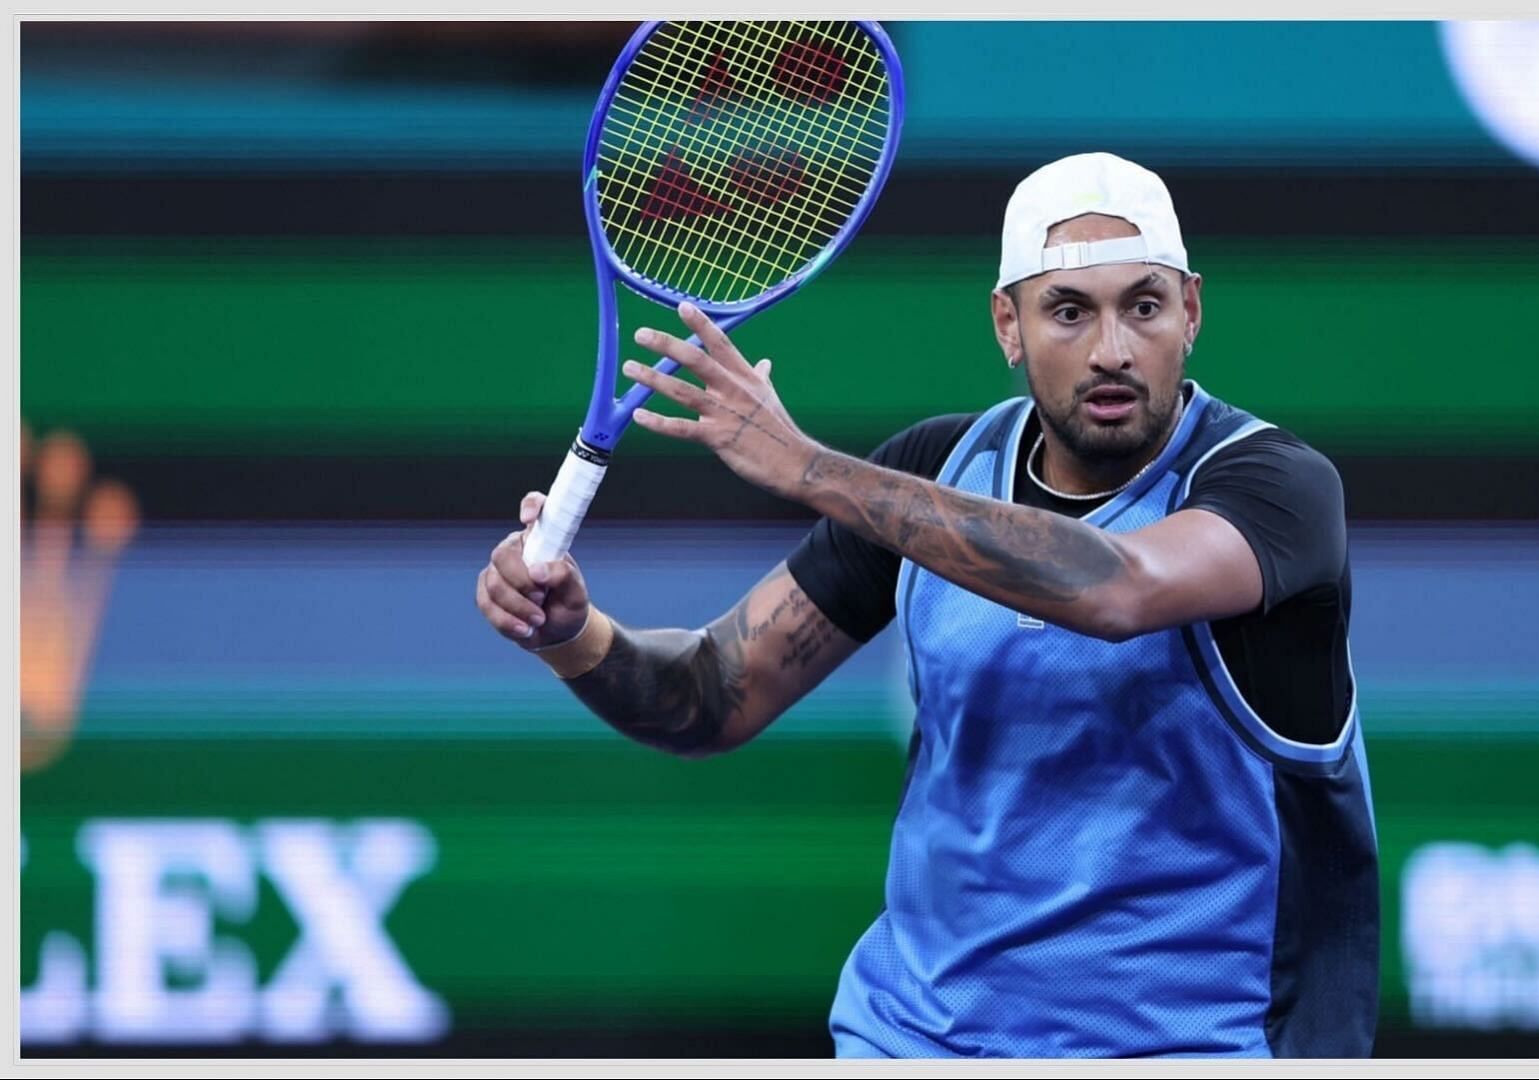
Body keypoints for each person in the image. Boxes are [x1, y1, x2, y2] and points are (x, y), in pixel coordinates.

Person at [475, 152, 1377, 1058]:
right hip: (913, 1039)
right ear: (1007, 326)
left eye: (1142, 306)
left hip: (1197, 1045)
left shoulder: (1275, 488)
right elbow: (715, 692)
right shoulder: (931, 473)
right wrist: (572, 635)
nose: (1112, 349)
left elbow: (1119, 588)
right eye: (1069, 310)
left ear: (1191, 312)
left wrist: (811, 470)